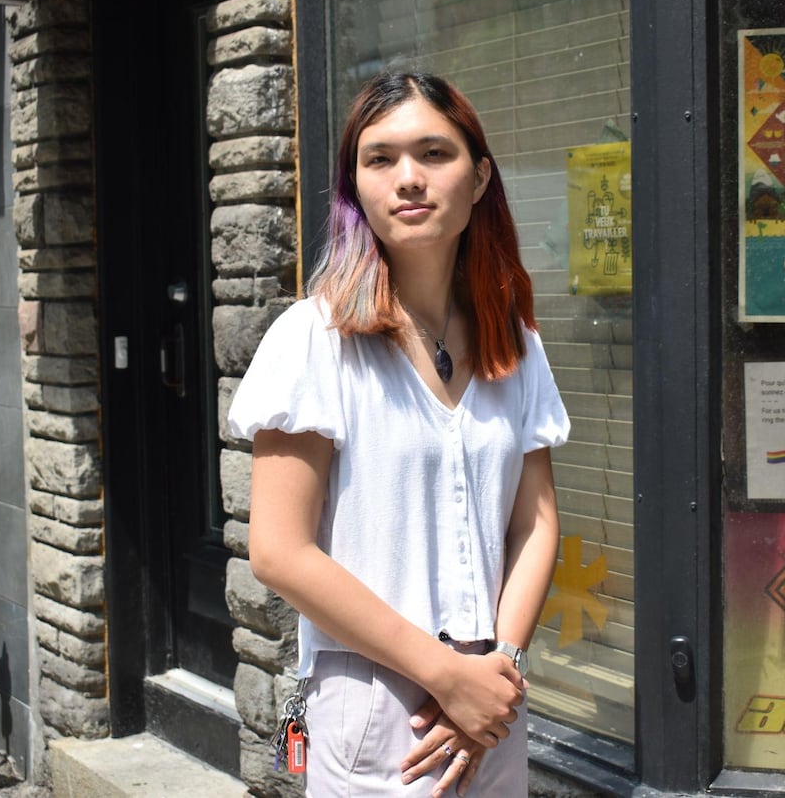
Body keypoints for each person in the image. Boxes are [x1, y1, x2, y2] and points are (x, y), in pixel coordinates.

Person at [227, 71, 570, 797]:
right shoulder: (313, 341)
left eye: (433, 153)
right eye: (379, 159)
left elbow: (536, 524)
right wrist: (449, 677)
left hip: (494, 697)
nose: (408, 178)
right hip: (378, 708)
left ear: (479, 177)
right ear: (355, 186)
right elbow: (278, 550)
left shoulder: (515, 340)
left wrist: (496, 672)